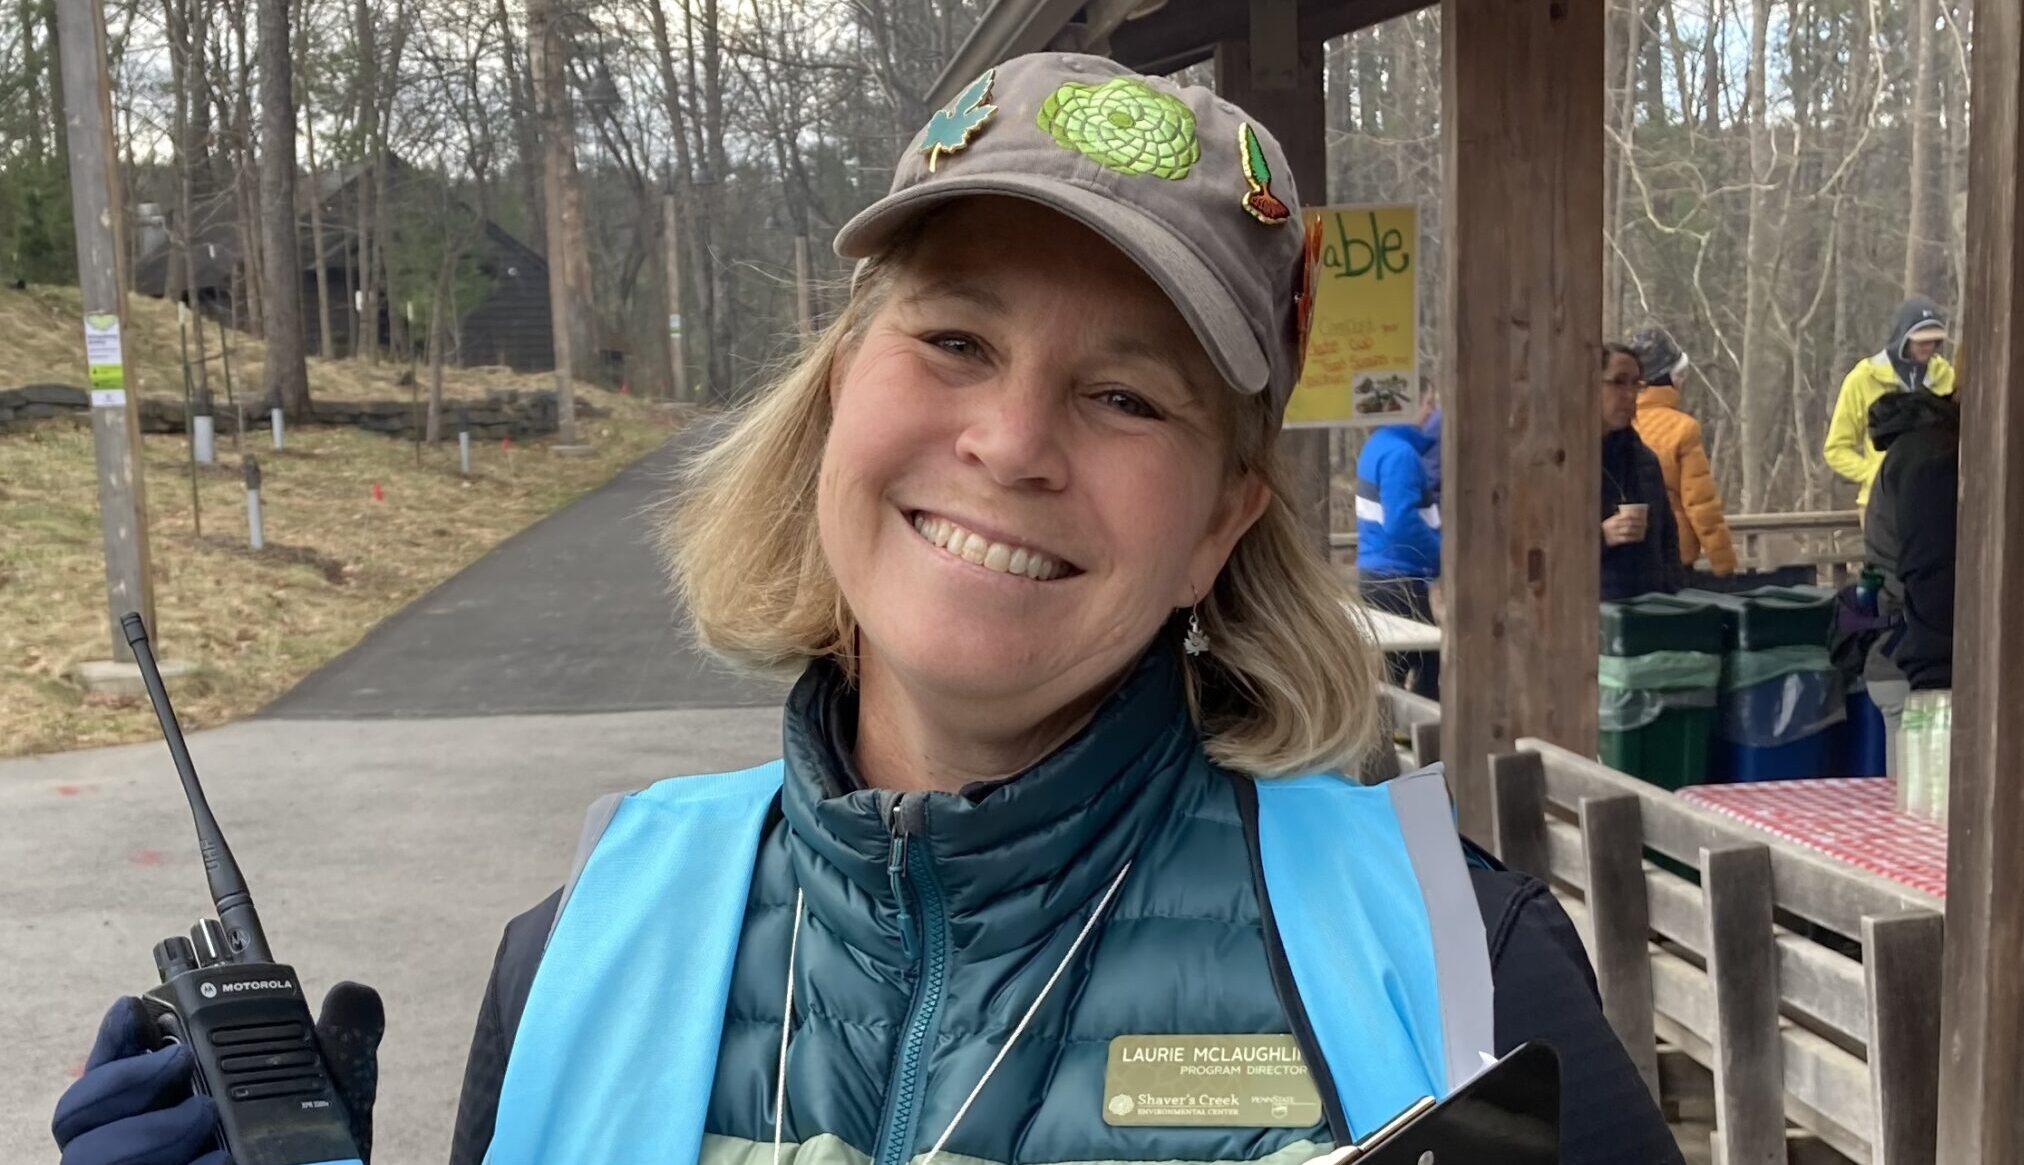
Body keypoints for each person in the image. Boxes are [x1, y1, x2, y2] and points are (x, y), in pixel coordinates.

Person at [52, 54, 1682, 1165]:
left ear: (1217, 526)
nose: (1010, 444)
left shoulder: (1453, 968)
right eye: (954, 341)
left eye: (1126, 396)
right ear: (837, 396)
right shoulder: (571, 960)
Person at [1860, 389, 1959, 779]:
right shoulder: (1931, 458)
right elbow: (1929, 572)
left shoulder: (1908, 454)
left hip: (1897, 651)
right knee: (1922, 813)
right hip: (1915, 663)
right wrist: (1935, 678)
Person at [1824, 297, 1956, 506]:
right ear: (1903, 338)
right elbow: (1836, 448)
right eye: (1921, 340)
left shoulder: (1946, 377)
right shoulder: (1863, 378)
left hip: (1933, 500)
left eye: (1934, 340)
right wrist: (1875, 474)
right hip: (1882, 502)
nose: (1929, 346)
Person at [1627, 327, 1738, 575]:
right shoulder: (1683, 429)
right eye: (1680, 374)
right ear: (1669, 380)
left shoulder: (1616, 422)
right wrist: (1724, 564)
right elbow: (1701, 504)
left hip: (1624, 553)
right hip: (1674, 553)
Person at [1355, 385, 1441, 697]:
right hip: (1399, 577)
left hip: (1378, 573)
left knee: (1396, 666)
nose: (1431, 411)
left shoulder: (1377, 444)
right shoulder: (1401, 454)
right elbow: (1402, 524)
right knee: (1430, 664)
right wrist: (1443, 556)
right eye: (1427, 402)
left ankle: (1392, 734)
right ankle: (1421, 736)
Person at [1601, 343, 1682, 601]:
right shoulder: (1561, 463)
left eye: (1636, 384)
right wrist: (1602, 536)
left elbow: (1668, 540)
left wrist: (1671, 593)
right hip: (1590, 613)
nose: (1629, 395)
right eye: (1618, 382)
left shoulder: (1644, 459)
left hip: (1648, 608)